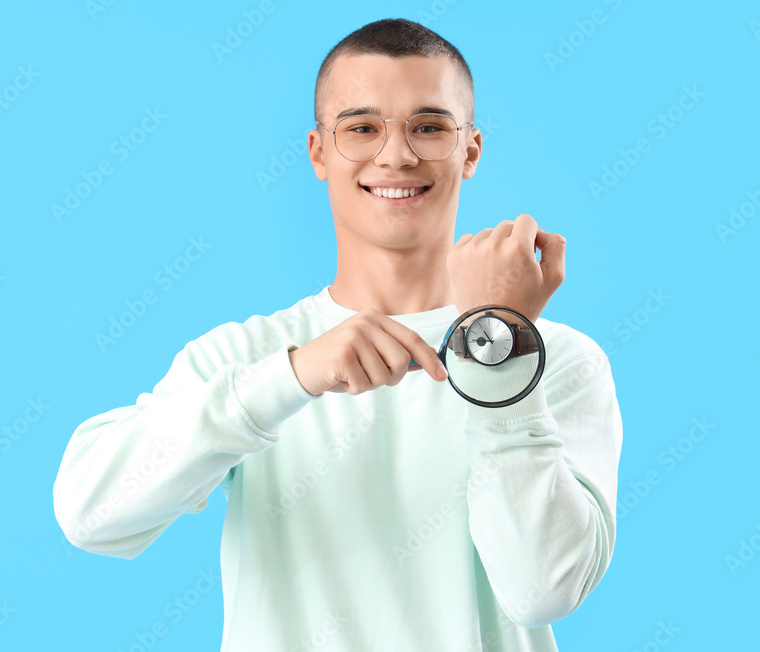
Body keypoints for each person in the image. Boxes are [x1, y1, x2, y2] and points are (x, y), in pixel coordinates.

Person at [53, 17, 623, 652]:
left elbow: (542, 590)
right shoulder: (244, 358)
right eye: (362, 128)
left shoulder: (557, 360)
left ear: (470, 150)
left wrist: (497, 341)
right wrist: (289, 378)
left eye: (429, 127)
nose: (396, 155)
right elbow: (89, 515)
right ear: (319, 152)